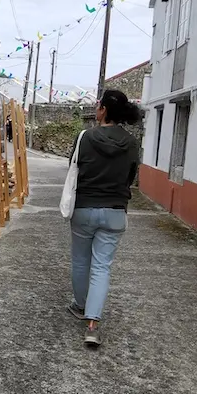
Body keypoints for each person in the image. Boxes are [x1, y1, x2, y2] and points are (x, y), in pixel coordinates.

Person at [67, 89, 140, 347]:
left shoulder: (84, 137)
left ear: (104, 109)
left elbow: (73, 169)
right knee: (101, 267)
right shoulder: (131, 142)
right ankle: (92, 325)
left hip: (84, 209)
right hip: (115, 211)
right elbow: (131, 177)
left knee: (80, 261)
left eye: (98, 104)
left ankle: (80, 305)